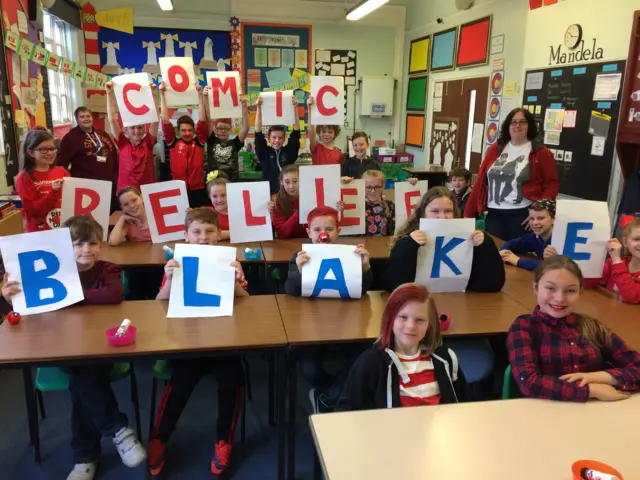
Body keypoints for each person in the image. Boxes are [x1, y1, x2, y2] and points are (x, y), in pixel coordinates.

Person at [2, 216, 146, 480]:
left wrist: (67, 295)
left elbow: (112, 294)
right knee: (84, 376)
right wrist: (9, 297)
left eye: (92, 244)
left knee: (82, 382)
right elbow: (25, 308)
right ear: (63, 247)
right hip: (59, 347)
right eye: (77, 244)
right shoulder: (51, 273)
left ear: (101, 246)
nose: (86, 250)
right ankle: (118, 429)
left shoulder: (108, 268)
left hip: (100, 348)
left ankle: (85, 458)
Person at [150, 208, 247, 478]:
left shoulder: (229, 259)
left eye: (209, 232)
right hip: (188, 337)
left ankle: (223, 441)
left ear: (219, 234)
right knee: (180, 381)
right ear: (186, 235)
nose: (203, 238)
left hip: (224, 337)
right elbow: (160, 301)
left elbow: (244, 299)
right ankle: (160, 439)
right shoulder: (178, 260)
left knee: (232, 378)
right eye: (196, 232)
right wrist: (169, 278)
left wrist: (235, 279)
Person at [507, 255, 640, 402]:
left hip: (595, 411)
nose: (559, 298)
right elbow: (528, 382)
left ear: (580, 292)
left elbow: (637, 365)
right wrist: (590, 389)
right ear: (535, 288)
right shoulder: (524, 327)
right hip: (546, 412)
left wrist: (598, 377)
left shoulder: (592, 327)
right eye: (551, 288)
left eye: (570, 291)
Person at [284, 206, 372, 412]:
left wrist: (366, 267)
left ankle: (328, 398)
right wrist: (298, 270)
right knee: (310, 369)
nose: (323, 234)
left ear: (338, 231)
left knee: (365, 356)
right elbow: (290, 289)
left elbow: (365, 288)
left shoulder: (351, 254)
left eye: (330, 229)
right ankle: (342, 392)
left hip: (347, 321)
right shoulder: (299, 254)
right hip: (311, 324)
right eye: (317, 230)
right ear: (308, 232)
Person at [335, 283, 467, 411]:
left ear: (430, 324)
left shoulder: (445, 358)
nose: (411, 326)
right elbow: (345, 412)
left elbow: (466, 407)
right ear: (390, 319)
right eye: (403, 317)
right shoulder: (371, 362)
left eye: (420, 320)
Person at [383, 186, 505, 293]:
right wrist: (407, 245)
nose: (442, 216)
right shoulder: (407, 239)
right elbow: (391, 284)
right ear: (422, 214)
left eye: (448, 211)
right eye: (435, 211)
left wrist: (486, 245)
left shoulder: (470, 238)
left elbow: (492, 285)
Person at [464, 108, 559, 241]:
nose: (517, 125)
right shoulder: (496, 148)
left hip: (522, 214)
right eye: (513, 122)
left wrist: (537, 212)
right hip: (494, 212)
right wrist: (468, 214)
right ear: (507, 126)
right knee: (493, 253)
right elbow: (480, 180)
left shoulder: (541, 152)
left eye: (522, 122)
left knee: (516, 256)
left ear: (529, 125)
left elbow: (551, 184)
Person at [57, 107, 119, 211]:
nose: (86, 119)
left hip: (110, 183)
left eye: (88, 116)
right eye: (82, 117)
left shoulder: (102, 134)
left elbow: (113, 155)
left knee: (111, 213)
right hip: (88, 186)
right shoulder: (70, 138)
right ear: (76, 119)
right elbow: (61, 163)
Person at [160, 81, 209, 207]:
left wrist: (199, 95)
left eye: (190, 130)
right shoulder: (173, 142)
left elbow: (203, 120)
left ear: (194, 131)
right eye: (183, 130)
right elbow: (165, 120)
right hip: (177, 188)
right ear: (178, 131)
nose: (187, 133)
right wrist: (162, 94)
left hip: (198, 190)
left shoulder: (199, 142)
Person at [105, 81, 159, 194]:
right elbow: (112, 119)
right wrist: (109, 94)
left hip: (147, 192)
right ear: (126, 130)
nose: (136, 131)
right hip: (126, 193)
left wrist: (154, 95)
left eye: (139, 128)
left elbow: (155, 120)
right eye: (132, 128)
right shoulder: (122, 143)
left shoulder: (148, 143)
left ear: (144, 129)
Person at [15, 128, 69, 232]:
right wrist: (54, 193)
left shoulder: (62, 172)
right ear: (31, 152)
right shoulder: (24, 177)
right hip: (39, 233)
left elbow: (71, 201)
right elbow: (33, 210)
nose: (50, 153)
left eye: (52, 149)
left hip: (63, 229)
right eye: (43, 149)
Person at [584, 217, 640, 304]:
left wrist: (616, 259)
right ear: (625, 242)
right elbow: (587, 283)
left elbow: (631, 295)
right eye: (637, 239)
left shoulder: (616, 261)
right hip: (608, 314)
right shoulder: (611, 263)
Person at [254, 95, 301, 195]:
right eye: (274, 137)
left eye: (280, 138)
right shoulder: (264, 153)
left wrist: (294, 108)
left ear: (284, 138)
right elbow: (258, 132)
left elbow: (296, 132)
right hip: (268, 194)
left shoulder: (289, 152)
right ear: (269, 138)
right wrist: (258, 108)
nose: (277, 140)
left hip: (287, 194)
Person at [205, 89, 250, 182]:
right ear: (215, 129)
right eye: (220, 128)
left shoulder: (235, 143)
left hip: (231, 181)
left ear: (230, 130)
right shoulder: (212, 140)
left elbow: (245, 128)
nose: (222, 131)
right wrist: (205, 98)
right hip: (214, 181)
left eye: (226, 128)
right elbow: (208, 120)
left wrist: (244, 107)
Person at [500, 199, 556, 271]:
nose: (535, 223)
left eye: (540, 218)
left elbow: (553, 266)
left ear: (553, 219)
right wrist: (503, 252)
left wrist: (518, 261)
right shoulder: (534, 237)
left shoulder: (561, 240)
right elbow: (512, 243)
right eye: (532, 219)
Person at [268, 165, 307, 238]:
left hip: (308, 242)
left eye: (295, 181)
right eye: (287, 182)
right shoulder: (275, 200)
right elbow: (281, 233)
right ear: (282, 182)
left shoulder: (310, 197)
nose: (291, 186)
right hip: (286, 244)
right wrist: (298, 213)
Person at [307, 96, 342, 165]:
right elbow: (311, 130)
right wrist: (310, 109)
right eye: (323, 131)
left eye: (330, 132)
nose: (326, 134)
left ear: (335, 134)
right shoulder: (316, 147)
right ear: (319, 133)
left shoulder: (339, 154)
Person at [361, 170, 395, 236]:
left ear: (383, 186)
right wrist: (346, 184)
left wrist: (411, 185)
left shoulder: (390, 206)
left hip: (384, 245)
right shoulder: (357, 206)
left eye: (377, 187)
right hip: (362, 245)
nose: (373, 191)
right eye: (368, 187)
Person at [205, 171, 230, 240]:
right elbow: (206, 234)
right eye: (214, 196)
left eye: (223, 195)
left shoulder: (241, 213)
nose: (219, 200)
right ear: (209, 197)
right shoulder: (205, 212)